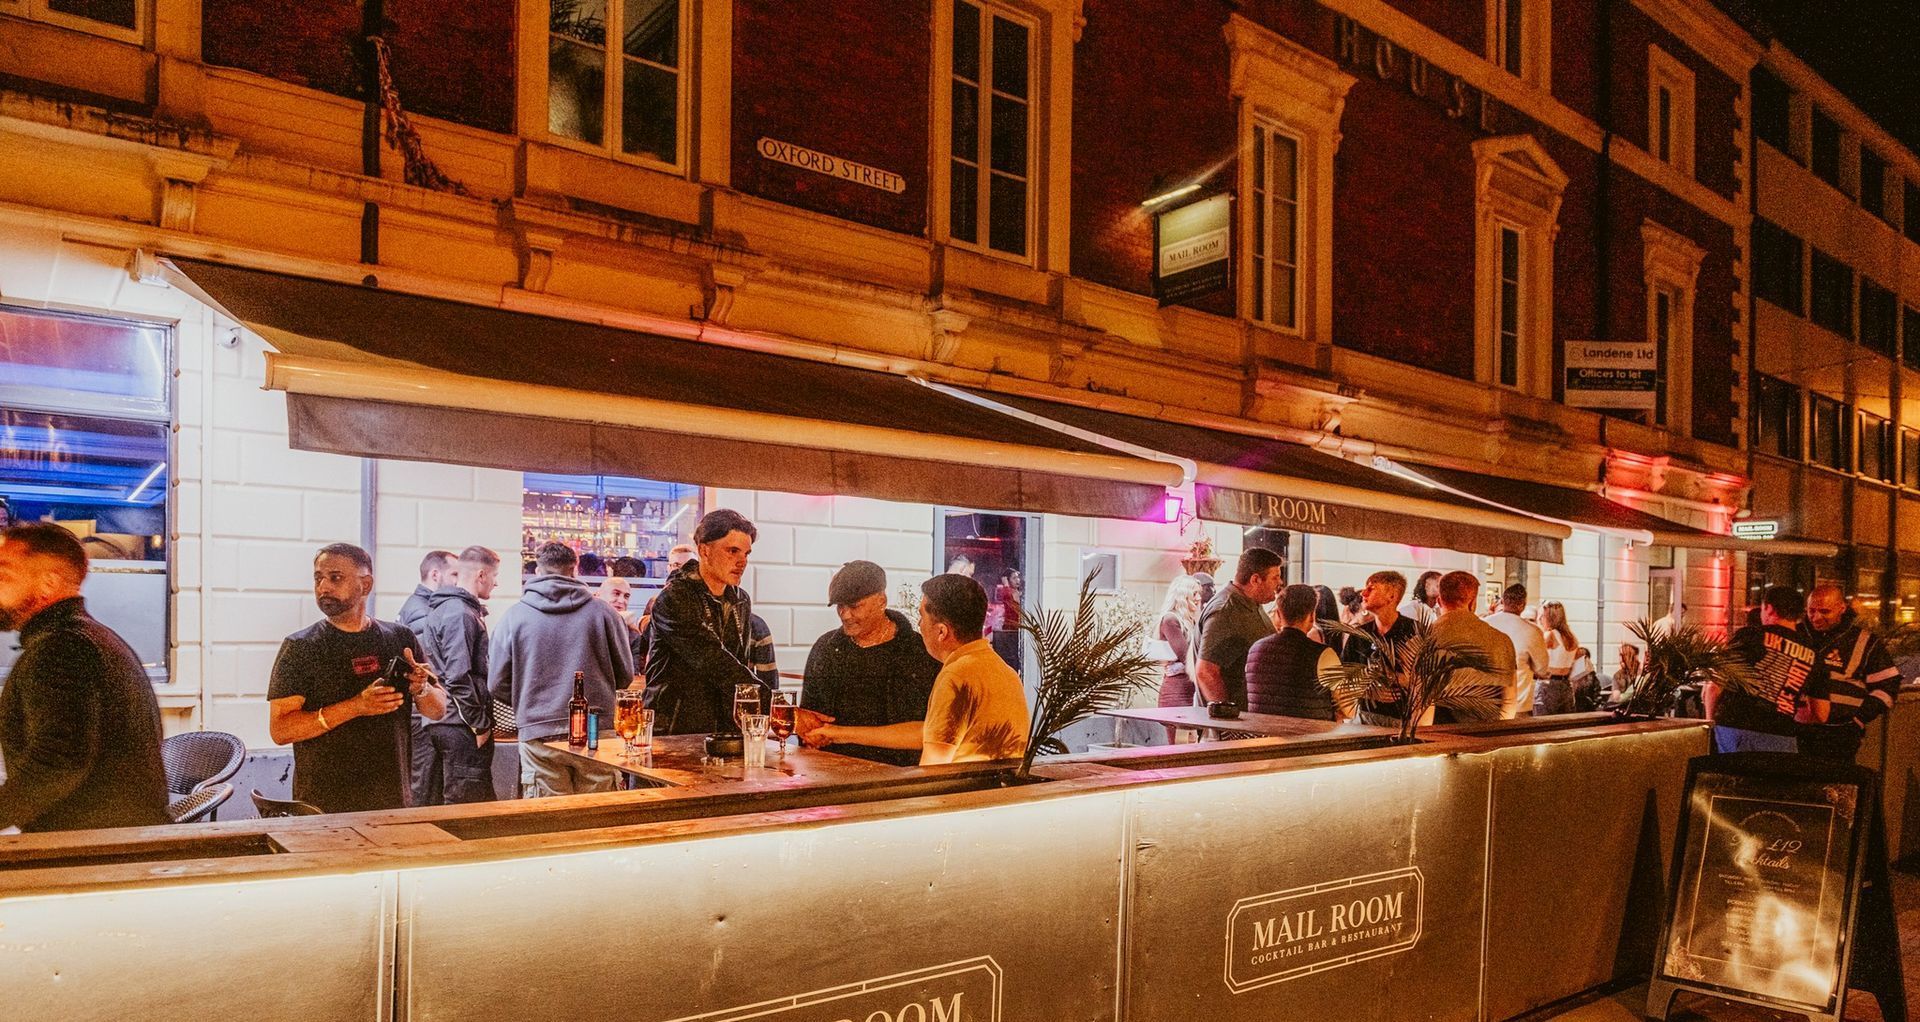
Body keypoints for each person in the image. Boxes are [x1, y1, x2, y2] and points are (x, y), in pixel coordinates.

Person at [0, 523, 168, 831]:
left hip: (89, 845)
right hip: (116, 837)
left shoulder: (61, 648)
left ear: (48, 584)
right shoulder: (88, 637)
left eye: (4, 575)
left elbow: (57, 760)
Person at [268, 543, 449, 813]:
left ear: (366, 585)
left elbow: (438, 710)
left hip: (391, 799)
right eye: (318, 578)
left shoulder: (400, 638)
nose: (323, 587)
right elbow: (281, 730)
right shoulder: (300, 647)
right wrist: (357, 706)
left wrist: (421, 688)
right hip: (324, 805)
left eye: (335, 577)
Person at [809, 574, 1028, 764]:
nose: (919, 625)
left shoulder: (955, 675)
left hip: (964, 795)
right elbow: (929, 733)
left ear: (941, 632)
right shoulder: (1006, 672)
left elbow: (934, 766)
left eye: (922, 616)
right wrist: (837, 733)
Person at [488, 541, 633, 796]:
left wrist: (531, 701)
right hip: (596, 727)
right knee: (600, 813)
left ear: (537, 571)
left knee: (550, 815)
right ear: (574, 570)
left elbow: (496, 682)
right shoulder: (604, 614)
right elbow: (625, 674)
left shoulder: (514, 616)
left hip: (539, 731)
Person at [799, 560, 941, 766]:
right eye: (840, 606)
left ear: (881, 601)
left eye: (854, 606)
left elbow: (929, 730)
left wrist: (839, 734)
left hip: (899, 775)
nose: (845, 615)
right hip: (831, 770)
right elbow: (810, 716)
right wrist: (808, 732)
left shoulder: (918, 651)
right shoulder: (826, 648)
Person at [643, 510, 766, 735]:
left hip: (724, 729)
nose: (742, 562)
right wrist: (775, 705)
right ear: (704, 550)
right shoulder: (675, 598)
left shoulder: (740, 599)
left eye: (746, 553)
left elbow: (738, 663)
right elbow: (713, 661)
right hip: (674, 729)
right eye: (732, 551)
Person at [414, 545, 500, 805]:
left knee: (453, 801)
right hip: (459, 724)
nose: (496, 583)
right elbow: (457, 676)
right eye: (495, 576)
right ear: (481, 575)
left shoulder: (445, 608)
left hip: (445, 720)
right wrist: (479, 724)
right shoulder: (460, 612)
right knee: (467, 804)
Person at [1709, 585, 1829, 754]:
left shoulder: (1749, 636)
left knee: (1732, 771)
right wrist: (1785, 709)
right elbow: (1821, 714)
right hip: (1782, 735)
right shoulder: (1814, 655)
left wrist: (1710, 725)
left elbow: (1714, 687)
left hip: (1735, 727)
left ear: (1769, 608)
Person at [1799, 583, 1901, 762]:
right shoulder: (1796, 635)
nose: (1816, 617)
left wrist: (1857, 720)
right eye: (1811, 611)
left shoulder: (1864, 641)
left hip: (1840, 735)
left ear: (1842, 608)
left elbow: (1888, 685)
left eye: (1824, 611)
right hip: (1797, 731)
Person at [1195, 548, 1285, 711]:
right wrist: (1227, 718)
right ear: (1255, 580)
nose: (1280, 582)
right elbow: (1206, 671)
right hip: (1238, 721)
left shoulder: (1252, 603)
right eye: (1275, 577)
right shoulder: (1225, 611)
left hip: (1254, 717)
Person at [1425, 571, 1516, 723]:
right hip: (1489, 730)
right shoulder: (1502, 641)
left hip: (1439, 730)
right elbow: (1509, 700)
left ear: (1439, 601)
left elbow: (1421, 702)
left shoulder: (1426, 638)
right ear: (1472, 603)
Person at [1245, 584, 1346, 720]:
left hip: (1261, 730)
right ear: (1312, 616)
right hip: (1311, 731)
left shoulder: (1255, 649)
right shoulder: (1323, 654)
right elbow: (1347, 707)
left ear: (1278, 614)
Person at [1483, 584, 1549, 718]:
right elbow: (1542, 668)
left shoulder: (1484, 624)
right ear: (1523, 605)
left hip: (1485, 700)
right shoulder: (1532, 631)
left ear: (1503, 601)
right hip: (1518, 703)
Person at [1152, 576, 1204, 713]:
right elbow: (1186, 657)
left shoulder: (1191, 621)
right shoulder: (1170, 619)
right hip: (1177, 692)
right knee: (1180, 727)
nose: (1199, 598)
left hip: (1191, 689)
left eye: (1199, 593)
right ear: (1183, 595)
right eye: (1194, 593)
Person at [397, 550, 454, 637]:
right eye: (454, 574)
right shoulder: (424, 613)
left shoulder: (420, 604)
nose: (458, 581)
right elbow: (425, 646)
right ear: (435, 575)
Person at [1537, 601, 1578, 713]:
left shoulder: (1550, 635)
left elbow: (1536, 657)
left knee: (1543, 720)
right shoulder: (1571, 637)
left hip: (1549, 684)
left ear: (1550, 617)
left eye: (1542, 616)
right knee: (1564, 720)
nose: (1540, 619)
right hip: (1566, 685)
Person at [749, 613, 782, 691]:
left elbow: (768, 679)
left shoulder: (757, 626)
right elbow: (769, 682)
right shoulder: (757, 625)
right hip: (743, 693)